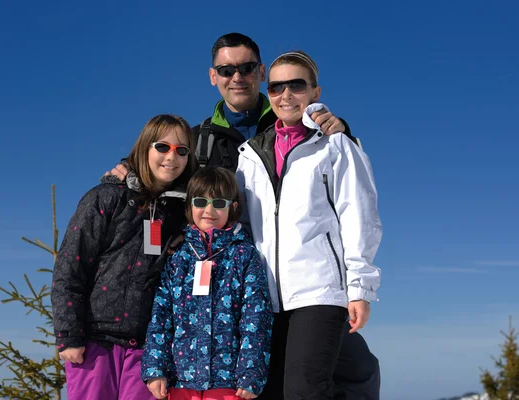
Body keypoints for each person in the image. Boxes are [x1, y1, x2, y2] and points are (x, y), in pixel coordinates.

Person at [107, 32, 381, 400]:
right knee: (266, 386)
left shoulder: (295, 123)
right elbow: (166, 159)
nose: (237, 76)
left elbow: (350, 197)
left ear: (260, 73)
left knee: (349, 372)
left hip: (305, 281)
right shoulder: (200, 138)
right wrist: (130, 167)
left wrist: (338, 128)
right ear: (213, 76)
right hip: (236, 289)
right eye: (226, 69)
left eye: (247, 67)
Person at [235, 50, 382, 400]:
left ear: (315, 92)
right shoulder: (251, 156)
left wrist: (360, 288)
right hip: (266, 298)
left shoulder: (335, 145)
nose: (286, 95)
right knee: (269, 391)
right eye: (276, 87)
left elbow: (359, 215)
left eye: (296, 85)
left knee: (304, 390)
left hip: (318, 291)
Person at [52, 114, 197, 400]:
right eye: (162, 147)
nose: (172, 156)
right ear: (145, 148)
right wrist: (69, 335)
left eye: (181, 150)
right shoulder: (106, 198)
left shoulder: (182, 214)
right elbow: (70, 267)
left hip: (147, 348)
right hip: (94, 342)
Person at [141, 167, 273, 400]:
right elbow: (160, 316)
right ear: (190, 206)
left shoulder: (243, 255)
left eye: (218, 203)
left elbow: (256, 317)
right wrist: (155, 369)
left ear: (232, 208)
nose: (209, 210)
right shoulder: (178, 256)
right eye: (201, 201)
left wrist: (251, 373)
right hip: (181, 380)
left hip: (228, 382)